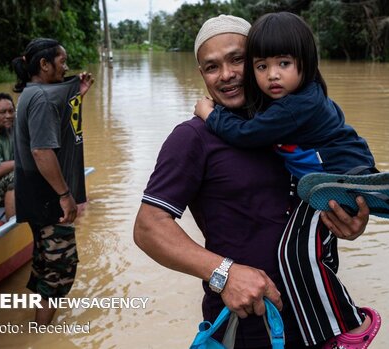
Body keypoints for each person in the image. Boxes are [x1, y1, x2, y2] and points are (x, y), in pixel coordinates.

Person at [133, 14, 371, 349]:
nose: (227, 75)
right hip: (248, 326)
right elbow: (148, 227)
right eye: (212, 66)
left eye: (237, 60)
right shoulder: (194, 137)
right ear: (202, 74)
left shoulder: (293, 125)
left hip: (317, 321)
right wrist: (224, 273)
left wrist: (348, 218)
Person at [11, 37, 94, 324]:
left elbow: (52, 121)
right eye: (62, 61)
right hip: (46, 195)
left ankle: (38, 325)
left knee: (46, 260)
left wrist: (78, 94)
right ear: (44, 64)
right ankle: (41, 330)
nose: (66, 67)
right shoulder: (43, 99)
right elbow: (42, 150)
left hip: (31, 191)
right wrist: (64, 194)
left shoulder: (31, 94)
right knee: (60, 266)